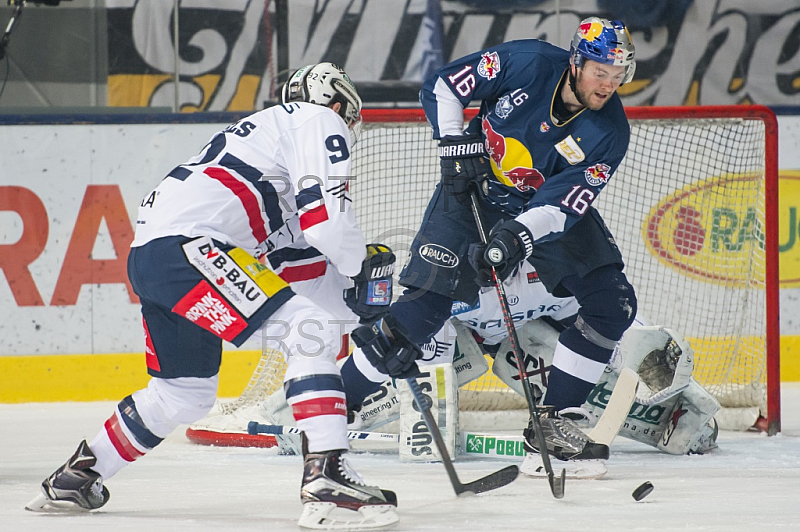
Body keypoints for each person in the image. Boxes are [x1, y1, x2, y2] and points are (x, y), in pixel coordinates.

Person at [26, 62, 400, 529]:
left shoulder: (270, 166)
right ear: (338, 104)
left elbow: (299, 274)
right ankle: (328, 477)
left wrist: (361, 308)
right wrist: (359, 264)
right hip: (193, 248)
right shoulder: (317, 119)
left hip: (153, 258)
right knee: (310, 332)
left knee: (183, 394)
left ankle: (80, 474)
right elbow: (329, 226)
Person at [341, 17, 639, 466]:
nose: (608, 85)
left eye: (618, 77)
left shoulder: (610, 132)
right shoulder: (528, 62)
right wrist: (453, 147)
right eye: (601, 73)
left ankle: (555, 420)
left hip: (540, 207)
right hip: (468, 191)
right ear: (577, 61)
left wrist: (518, 236)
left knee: (611, 302)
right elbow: (444, 86)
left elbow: (564, 205)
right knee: (422, 313)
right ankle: (337, 400)